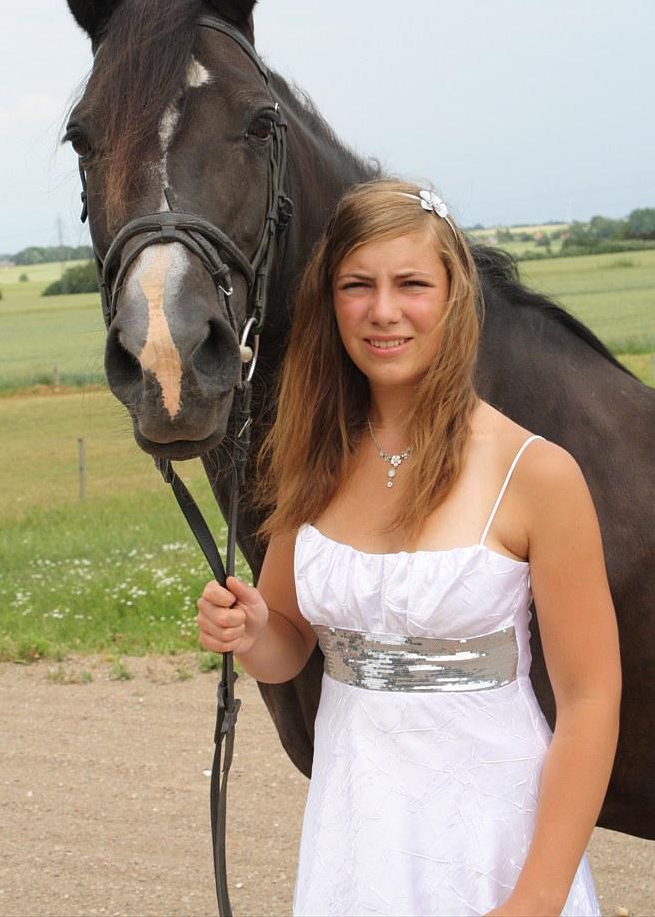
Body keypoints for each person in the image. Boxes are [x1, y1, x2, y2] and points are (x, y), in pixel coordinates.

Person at [197, 179, 621, 917]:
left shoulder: (537, 473)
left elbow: (590, 699)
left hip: (496, 845)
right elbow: (290, 647)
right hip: (355, 836)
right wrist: (253, 630)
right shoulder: (313, 460)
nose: (383, 311)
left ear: (456, 297)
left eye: (412, 284)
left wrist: (538, 896)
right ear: (331, 304)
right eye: (357, 285)